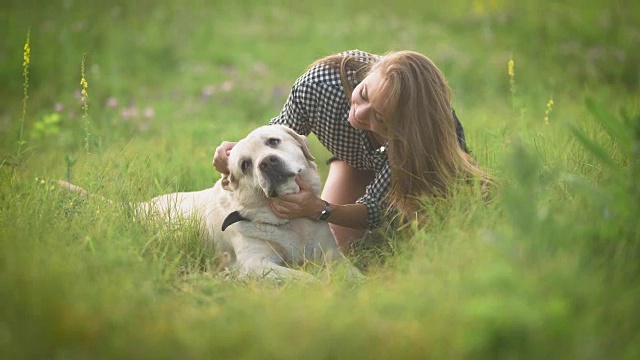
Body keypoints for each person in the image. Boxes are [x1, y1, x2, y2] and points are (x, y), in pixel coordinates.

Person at [214, 49, 489, 252]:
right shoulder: (319, 87)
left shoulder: (417, 140)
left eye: (380, 119)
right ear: (371, 71)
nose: (359, 115)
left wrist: (320, 208)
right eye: (364, 94)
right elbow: (277, 135)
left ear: (402, 127)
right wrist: (238, 153)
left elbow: (373, 212)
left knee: (427, 242)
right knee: (334, 249)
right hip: (355, 161)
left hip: (418, 177)